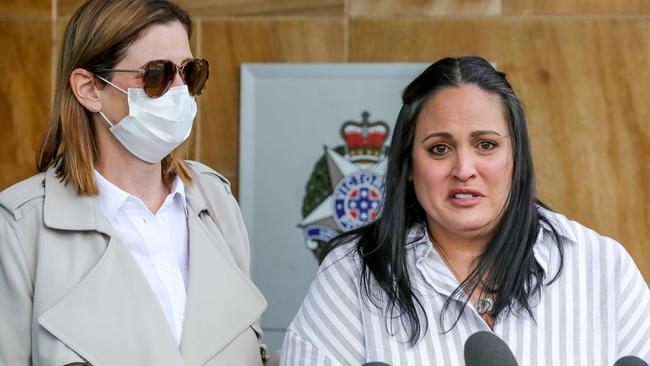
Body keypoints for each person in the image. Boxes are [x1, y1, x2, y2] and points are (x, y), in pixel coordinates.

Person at [281, 56, 650, 365]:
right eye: (439, 149)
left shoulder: (602, 266)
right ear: (409, 165)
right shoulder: (352, 273)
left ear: (516, 156)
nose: (464, 169)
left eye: (486, 144)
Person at [0, 0, 266, 365]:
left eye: (190, 73)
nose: (179, 91)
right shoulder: (20, 228)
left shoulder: (215, 201)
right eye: (157, 74)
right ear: (90, 89)